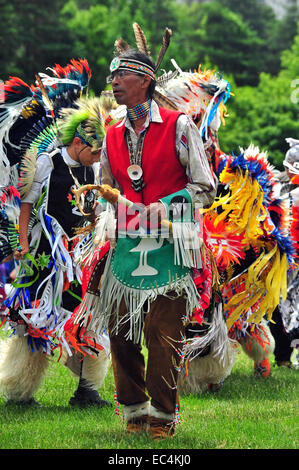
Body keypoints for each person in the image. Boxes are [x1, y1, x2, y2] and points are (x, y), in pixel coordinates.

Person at [74, 40, 216, 439]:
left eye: (122, 74)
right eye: (113, 75)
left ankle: (163, 417)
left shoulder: (179, 125)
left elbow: (205, 186)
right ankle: (135, 411)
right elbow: (107, 185)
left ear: (145, 80)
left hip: (172, 243)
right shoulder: (112, 131)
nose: (114, 81)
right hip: (127, 245)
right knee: (120, 331)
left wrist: (167, 205)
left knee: (162, 331)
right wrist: (98, 208)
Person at [0, 96, 111, 407]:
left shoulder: (94, 169)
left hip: (81, 258)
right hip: (47, 257)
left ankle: (87, 389)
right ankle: (20, 391)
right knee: (35, 321)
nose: (97, 156)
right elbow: (26, 204)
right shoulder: (49, 162)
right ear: (77, 143)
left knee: (88, 318)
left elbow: (93, 208)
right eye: (94, 150)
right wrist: (22, 242)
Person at [269, 138, 299, 368]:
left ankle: (286, 355)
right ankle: (282, 357)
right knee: (279, 305)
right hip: (282, 255)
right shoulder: (275, 186)